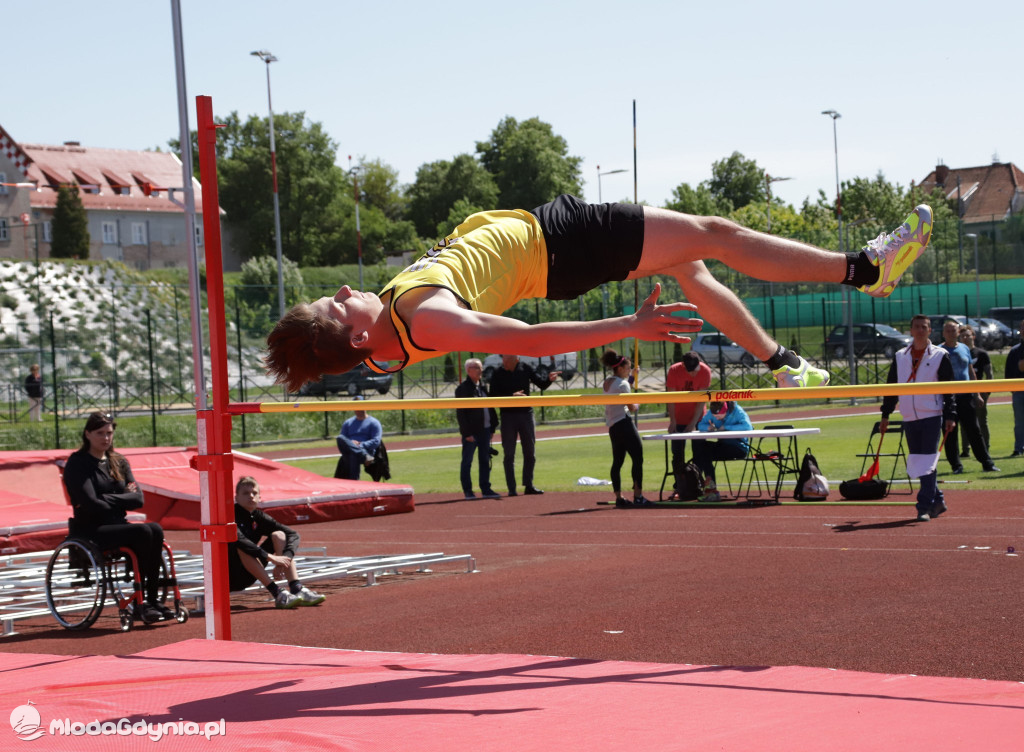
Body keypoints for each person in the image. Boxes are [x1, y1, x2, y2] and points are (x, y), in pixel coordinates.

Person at [265, 196, 934, 394]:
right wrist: (627, 326)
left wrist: (310, 353)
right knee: (717, 233)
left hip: (554, 249)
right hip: (561, 244)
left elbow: (353, 355)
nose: (345, 290)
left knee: (694, 266)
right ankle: (865, 270)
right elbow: (530, 341)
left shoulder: (383, 345)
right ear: (357, 334)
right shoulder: (425, 318)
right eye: (336, 305)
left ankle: (780, 363)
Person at [62, 411, 170, 624]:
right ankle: (141, 601)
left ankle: (151, 599)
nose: (105, 438)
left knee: (155, 529)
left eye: (109, 433)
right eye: (100, 433)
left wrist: (106, 498)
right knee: (142, 531)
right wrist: (122, 499)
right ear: (87, 434)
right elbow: (90, 503)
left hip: (118, 524)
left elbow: (138, 498)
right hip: (91, 529)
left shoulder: (118, 462)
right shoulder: (78, 463)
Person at [880, 315, 958, 522]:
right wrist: (886, 414)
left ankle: (923, 507)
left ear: (930, 330)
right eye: (917, 327)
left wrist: (950, 415)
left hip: (932, 414)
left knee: (926, 461)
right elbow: (891, 387)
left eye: (924, 327)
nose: (920, 330)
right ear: (911, 330)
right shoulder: (900, 356)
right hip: (909, 416)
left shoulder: (940, 355)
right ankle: (938, 500)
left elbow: (949, 389)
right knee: (919, 462)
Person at [229, 476, 325, 608]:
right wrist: (271, 558)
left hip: (249, 573)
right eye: (246, 493)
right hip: (228, 577)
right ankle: (277, 592)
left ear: (259, 497)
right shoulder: (230, 517)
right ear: (236, 498)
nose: (251, 496)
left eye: (254, 493)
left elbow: (293, 534)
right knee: (242, 547)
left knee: (279, 535)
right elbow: (240, 541)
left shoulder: (258, 517)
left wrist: (283, 560)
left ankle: (296, 587)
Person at [487, 354, 558, 496]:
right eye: (503, 359)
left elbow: (540, 384)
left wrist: (549, 380)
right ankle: (511, 488)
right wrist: (511, 396)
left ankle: (528, 485)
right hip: (508, 416)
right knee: (509, 454)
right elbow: (492, 395)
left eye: (507, 359)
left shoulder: (525, 368)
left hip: (526, 414)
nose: (504, 362)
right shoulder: (498, 373)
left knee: (530, 452)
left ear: (516, 360)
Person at [939, 319, 998, 474]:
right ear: (943, 333)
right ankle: (956, 466)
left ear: (958, 332)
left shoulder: (964, 348)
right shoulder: (939, 351)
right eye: (948, 331)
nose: (951, 333)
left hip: (966, 397)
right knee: (950, 433)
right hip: (947, 398)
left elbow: (971, 372)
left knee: (974, 430)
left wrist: (977, 393)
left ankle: (987, 463)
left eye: (954, 330)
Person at [601, 350, 651, 508]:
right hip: (625, 424)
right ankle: (638, 496)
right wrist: (638, 402)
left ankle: (619, 497)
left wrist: (633, 377)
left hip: (613, 427)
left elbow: (622, 387)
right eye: (628, 368)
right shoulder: (622, 384)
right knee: (638, 459)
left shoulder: (607, 382)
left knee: (617, 462)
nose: (630, 370)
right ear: (620, 368)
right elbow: (632, 407)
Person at [665, 351, 712, 499]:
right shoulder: (674, 370)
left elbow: (701, 400)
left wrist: (692, 424)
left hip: (698, 418)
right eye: (689, 371)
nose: (693, 374)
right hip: (678, 417)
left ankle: (696, 485)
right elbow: (670, 398)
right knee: (677, 454)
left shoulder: (705, 371)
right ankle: (680, 486)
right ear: (683, 365)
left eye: (695, 370)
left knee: (699, 452)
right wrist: (673, 421)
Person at [455, 358, 500, 500]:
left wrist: (492, 427)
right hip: (471, 432)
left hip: (485, 430)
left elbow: (490, 407)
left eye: (481, 368)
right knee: (467, 462)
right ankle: (468, 490)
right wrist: (466, 433)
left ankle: (486, 489)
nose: (481, 371)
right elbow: (461, 414)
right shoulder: (463, 389)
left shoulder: (483, 386)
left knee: (485, 460)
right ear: (469, 370)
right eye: (478, 368)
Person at [691, 400, 753, 503]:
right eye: (715, 416)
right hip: (722, 446)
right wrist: (708, 427)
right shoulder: (711, 413)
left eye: (719, 416)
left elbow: (748, 427)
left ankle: (706, 486)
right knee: (702, 448)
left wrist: (726, 427)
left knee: (704, 453)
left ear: (726, 410)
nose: (716, 418)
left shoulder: (737, 411)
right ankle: (706, 486)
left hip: (738, 448)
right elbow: (701, 425)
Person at [958, 324, 992, 457]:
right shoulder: (958, 353)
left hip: (979, 391)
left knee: (982, 421)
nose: (965, 338)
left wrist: (987, 391)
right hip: (963, 392)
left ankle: (985, 447)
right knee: (964, 423)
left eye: (968, 335)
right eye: (963, 336)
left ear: (973, 336)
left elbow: (989, 373)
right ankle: (965, 450)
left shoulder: (981, 354)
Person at [334, 403, 383, 480]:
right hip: (358, 453)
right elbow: (343, 440)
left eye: (361, 406)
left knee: (353, 455)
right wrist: (352, 444)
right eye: (357, 407)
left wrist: (360, 444)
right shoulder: (348, 423)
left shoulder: (374, 423)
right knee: (340, 438)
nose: (359, 409)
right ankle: (363, 455)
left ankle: (355, 482)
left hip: (367, 451)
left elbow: (376, 441)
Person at [1006, 319, 1024, 457]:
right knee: (1019, 421)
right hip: (1019, 391)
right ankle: (1019, 447)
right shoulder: (1015, 350)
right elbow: (1010, 373)